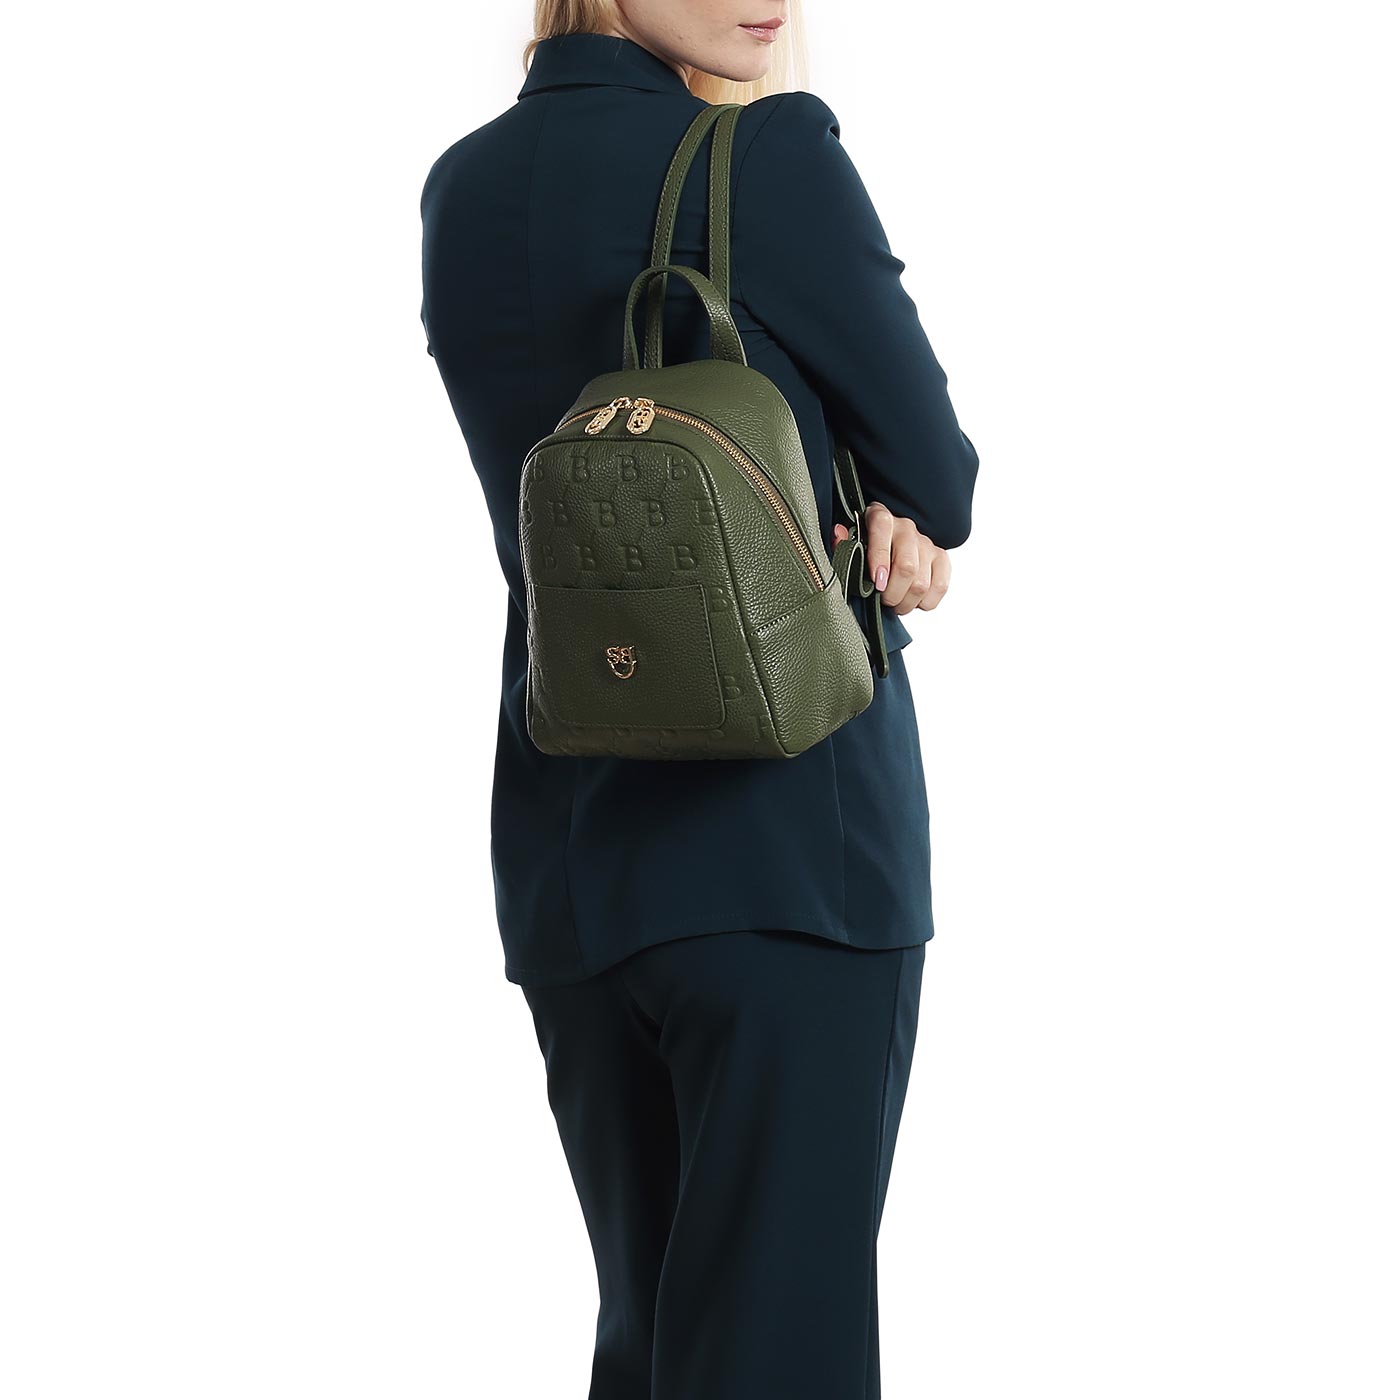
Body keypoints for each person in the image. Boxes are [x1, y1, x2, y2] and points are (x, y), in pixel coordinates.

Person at [420, 3, 979, 1395]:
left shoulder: (463, 189)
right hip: (789, 849)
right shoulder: (768, 160)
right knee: (781, 1359)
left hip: (572, 859)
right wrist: (888, 504)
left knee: (654, 1348)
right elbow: (942, 473)